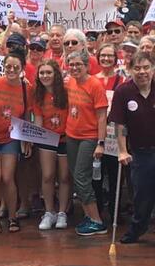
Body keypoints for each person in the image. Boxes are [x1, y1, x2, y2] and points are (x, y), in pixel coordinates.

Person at [109, 52, 155, 243]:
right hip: (141, 151)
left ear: (153, 69)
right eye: (137, 68)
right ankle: (138, 227)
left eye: (146, 67)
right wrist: (121, 150)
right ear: (130, 70)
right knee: (142, 195)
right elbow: (119, 125)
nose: (142, 72)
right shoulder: (123, 92)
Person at [0, 50, 32, 234]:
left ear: (22, 69)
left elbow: (27, 113)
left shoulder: (26, 88)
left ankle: (13, 217)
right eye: (8, 67)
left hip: (12, 137)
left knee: (7, 177)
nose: (11, 70)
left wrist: (27, 138)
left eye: (16, 67)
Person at [64, 51, 108, 236]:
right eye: (71, 64)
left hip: (89, 137)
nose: (74, 68)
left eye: (78, 65)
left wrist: (100, 142)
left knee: (82, 177)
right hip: (71, 134)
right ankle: (88, 216)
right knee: (76, 176)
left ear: (86, 66)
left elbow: (102, 116)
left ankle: (97, 220)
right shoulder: (70, 82)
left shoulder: (95, 85)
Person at [33, 59, 70, 230]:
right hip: (47, 139)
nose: (45, 76)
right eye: (42, 73)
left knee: (64, 176)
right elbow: (38, 119)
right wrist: (34, 136)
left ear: (56, 74)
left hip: (65, 138)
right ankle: (49, 211)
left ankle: (62, 212)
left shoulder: (67, 91)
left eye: (49, 72)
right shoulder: (38, 95)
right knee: (47, 176)